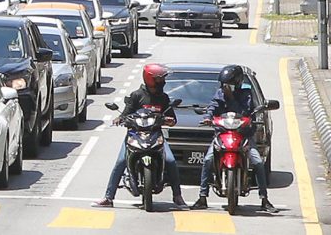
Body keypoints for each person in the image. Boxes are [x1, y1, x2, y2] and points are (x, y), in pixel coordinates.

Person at [94, 63, 186, 208]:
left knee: (170, 161)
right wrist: (120, 119)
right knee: (120, 162)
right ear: (150, 79)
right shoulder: (137, 95)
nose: (162, 82)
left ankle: (177, 196)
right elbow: (126, 112)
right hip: (135, 136)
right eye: (159, 79)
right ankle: (108, 197)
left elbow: (171, 117)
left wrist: (170, 120)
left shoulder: (163, 98)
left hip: (156, 135)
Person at [191, 65, 277, 213]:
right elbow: (213, 106)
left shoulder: (246, 94)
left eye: (229, 85)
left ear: (237, 83)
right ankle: (202, 196)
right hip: (222, 134)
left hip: (243, 135)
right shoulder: (220, 93)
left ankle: (264, 199)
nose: (226, 88)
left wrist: (232, 98)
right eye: (224, 85)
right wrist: (208, 118)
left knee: (257, 162)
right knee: (207, 160)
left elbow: (245, 111)